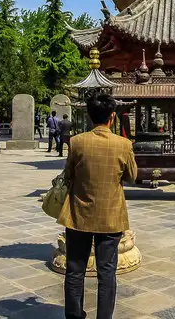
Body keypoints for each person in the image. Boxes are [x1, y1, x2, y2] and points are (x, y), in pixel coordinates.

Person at [59, 93, 137, 319]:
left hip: (78, 214)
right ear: (112, 116)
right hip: (110, 216)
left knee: (75, 270)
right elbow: (132, 176)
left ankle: (74, 315)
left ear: (90, 116)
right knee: (106, 272)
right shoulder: (123, 145)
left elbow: (68, 174)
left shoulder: (77, 142)